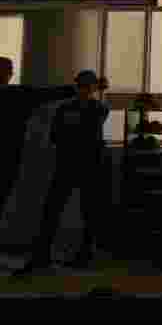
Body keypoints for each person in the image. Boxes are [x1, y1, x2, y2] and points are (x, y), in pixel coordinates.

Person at [14, 70, 110, 275]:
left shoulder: (73, 108)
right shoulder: (97, 108)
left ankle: (47, 254)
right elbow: (79, 135)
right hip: (83, 164)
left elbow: (58, 135)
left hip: (70, 163)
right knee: (79, 210)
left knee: (61, 210)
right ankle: (75, 254)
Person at [0, 56, 78, 219]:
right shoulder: (17, 95)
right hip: (8, 157)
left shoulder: (17, 94)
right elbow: (50, 93)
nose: (12, 73)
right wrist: (82, 86)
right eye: (10, 71)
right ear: (7, 74)